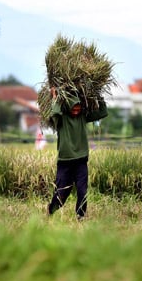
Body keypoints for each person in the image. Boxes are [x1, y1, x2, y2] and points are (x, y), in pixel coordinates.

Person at [47, 87, 108, 220]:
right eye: (73, 108)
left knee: (82, 190)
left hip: (81, 160)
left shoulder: (82, 117)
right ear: (68, 106)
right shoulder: (60, 120)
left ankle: (81, 216)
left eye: (78, 108)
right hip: (65, 162)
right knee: (61, 192)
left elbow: (103, 112)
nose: (76, 110)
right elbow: (55, 112)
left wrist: (98, 96)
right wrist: (56, 97)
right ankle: (51, 211)